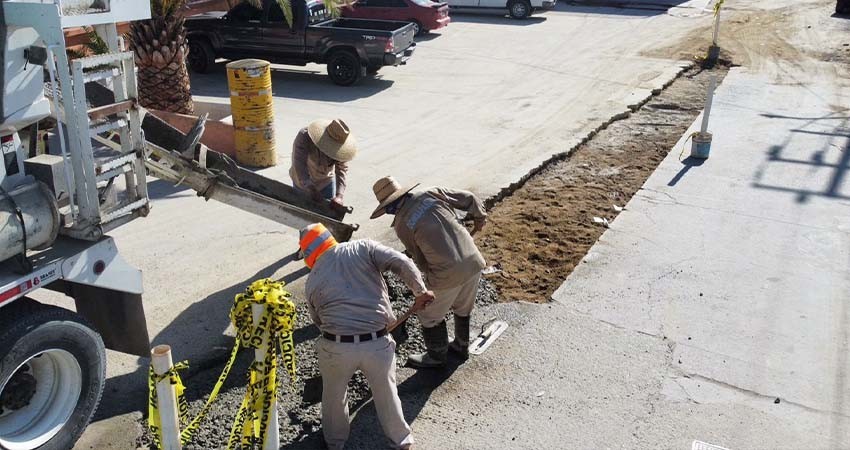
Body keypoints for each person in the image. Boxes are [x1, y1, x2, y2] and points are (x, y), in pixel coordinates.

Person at [300, 223, 435, 450]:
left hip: (336, 346)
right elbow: (401, 262)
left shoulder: (311, 281)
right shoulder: (363, 248)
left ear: (308, 254)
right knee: (386, 391)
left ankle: (335, 443)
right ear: (330, 239)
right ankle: (401, 441)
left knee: (333, 395)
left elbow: (319, 323)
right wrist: (420, 291)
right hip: (377, 342)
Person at [370, 176, 487, 369]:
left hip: (446, 272)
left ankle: (437, 355)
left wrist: (427, 283)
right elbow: (470, 198)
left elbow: (420, 259)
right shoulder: (431, 192)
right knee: (463, 307)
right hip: (474, 261)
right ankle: (461, 346)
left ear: (389, 207)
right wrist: (480, 217)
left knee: (428, 315)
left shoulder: (402, 225)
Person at [290, 119, 357, 208]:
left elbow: (341, 169)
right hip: (302, 183)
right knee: (302, 214)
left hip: (326, 182)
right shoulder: (305, 136)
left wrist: (339, 196)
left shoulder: (341, 146)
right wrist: (310, 188)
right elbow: (299, 164)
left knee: (327, 215)